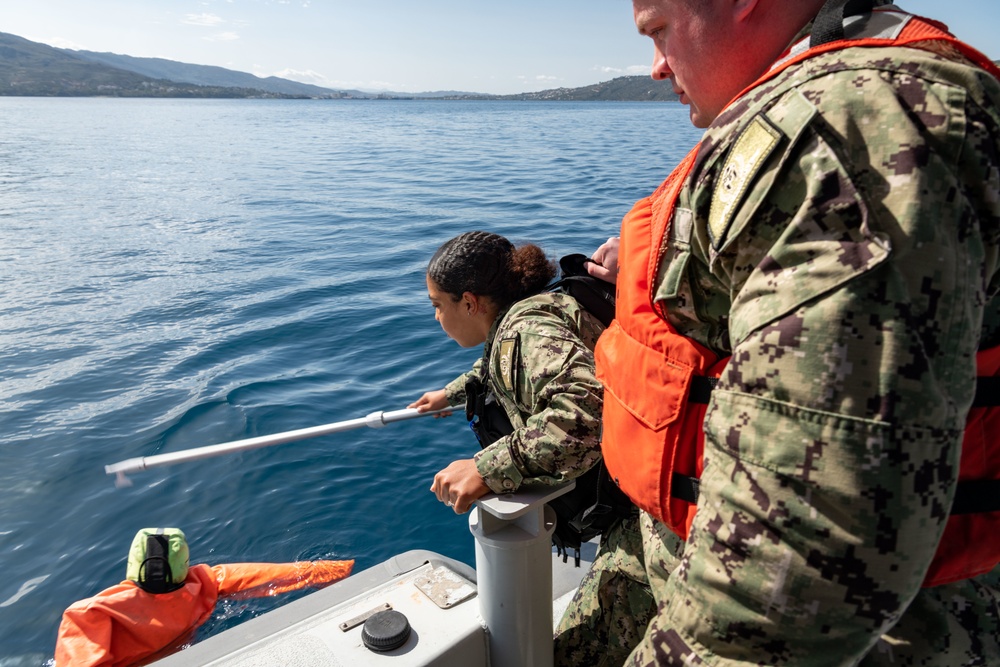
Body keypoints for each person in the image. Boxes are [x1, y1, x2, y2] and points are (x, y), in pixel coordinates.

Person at [588, 0, 1000, 665]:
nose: (657, 67)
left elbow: (795, 573)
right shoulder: (860, 102)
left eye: (660, 30)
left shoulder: (846, 126)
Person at [408, 230, 653, 665]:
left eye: (437, 306)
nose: (436, 319)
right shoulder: (541, 310)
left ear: (469, 302)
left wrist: (485, 468)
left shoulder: (524, 329)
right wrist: (451, 394)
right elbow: (498, 366)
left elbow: (585, 414)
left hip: (649, 518)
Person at [54, 527, 354, 667]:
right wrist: (323, 572)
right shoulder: (201, 585)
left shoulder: (89, 614)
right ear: (185, 565)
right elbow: (262, 576)